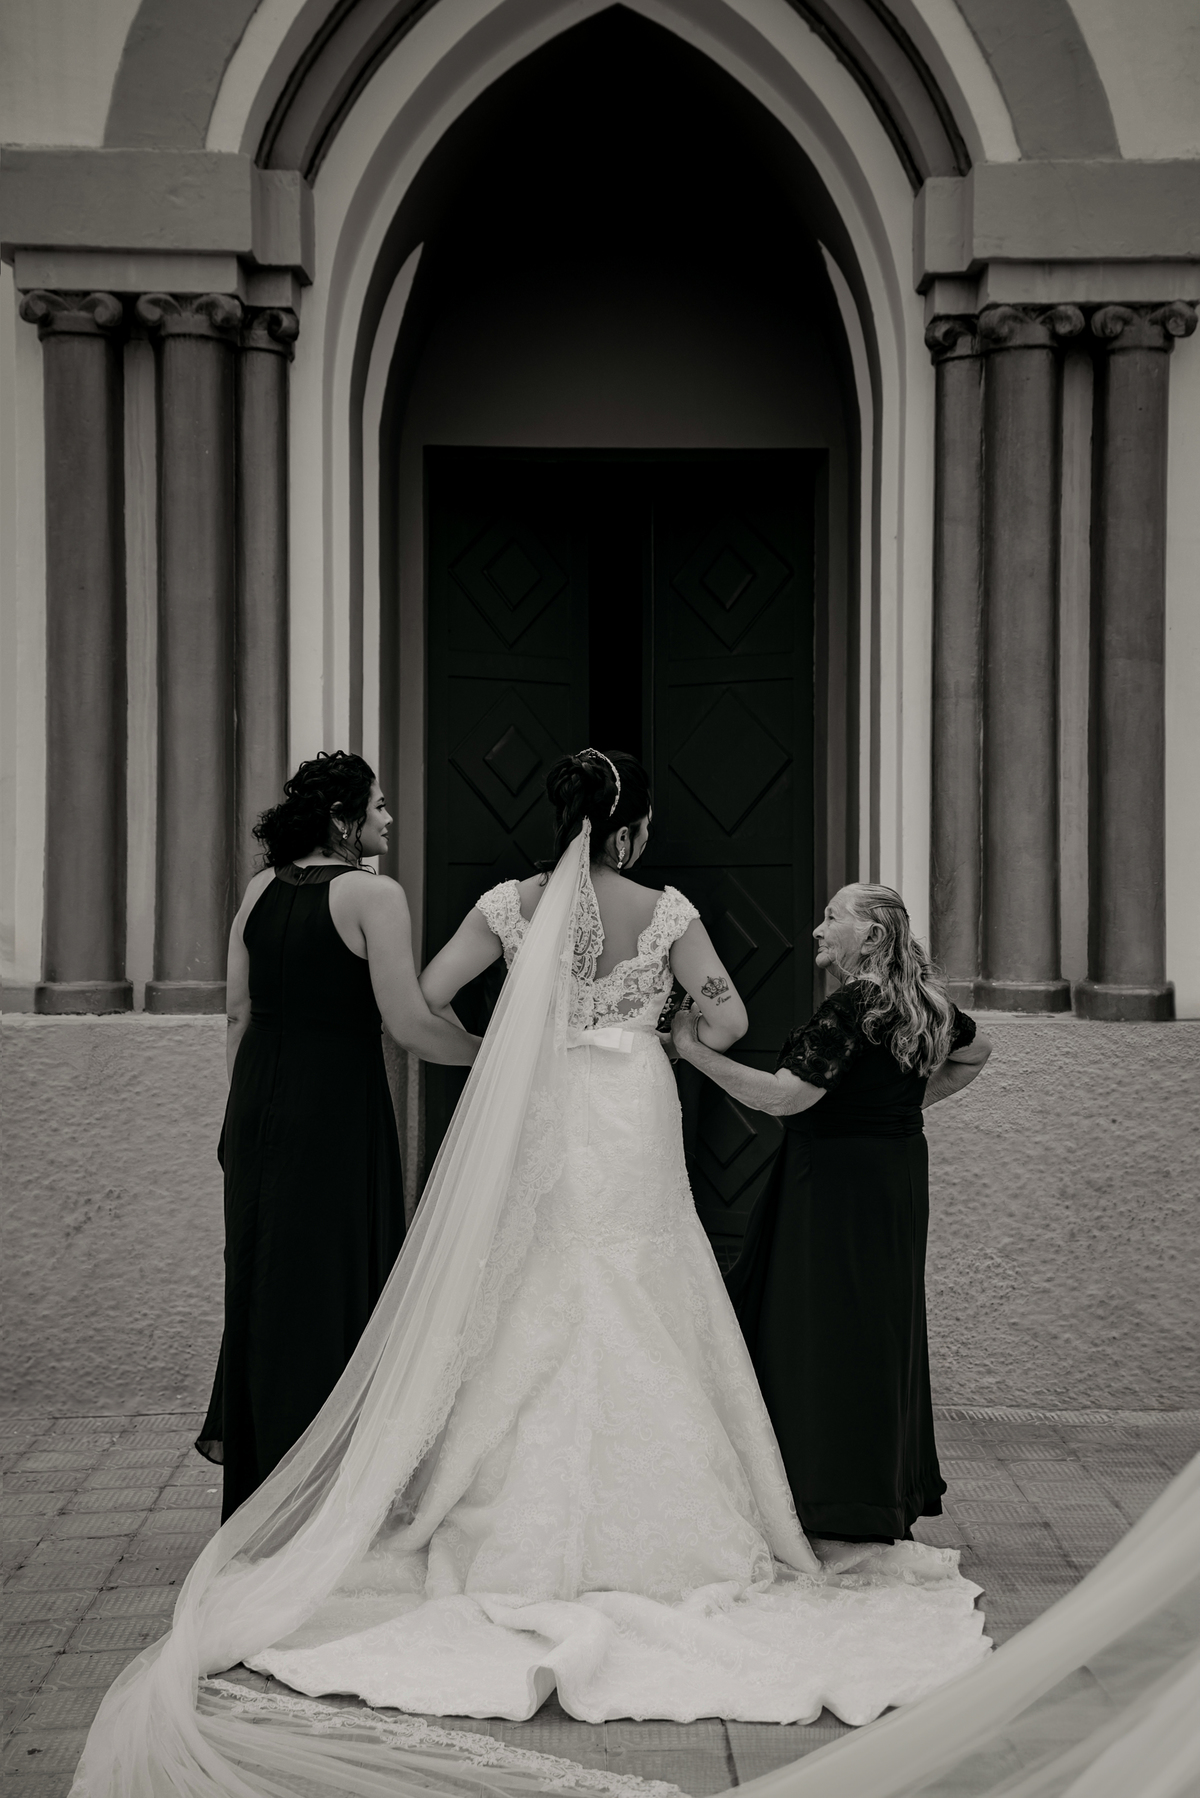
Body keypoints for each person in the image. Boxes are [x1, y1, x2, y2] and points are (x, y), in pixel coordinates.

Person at [74, 760, 990, 1798]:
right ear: (629, 832)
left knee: (530, 1279)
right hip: (631, 1105)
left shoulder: (508, 904)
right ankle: (681, 1527)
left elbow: (425, 999)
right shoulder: (669, 910)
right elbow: (729, 1019)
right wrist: (672, 1029)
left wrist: (516, 1041)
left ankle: (482, 1508)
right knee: (643, 1279)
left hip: (545, 1102)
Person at [196, 751, 479, 1520]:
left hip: (257, 1112)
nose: (388, 818)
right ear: (343, 819)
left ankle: (265, 1492)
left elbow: (237, 1014)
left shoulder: (258, 890)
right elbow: (410, 1024)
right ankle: (330, 1492)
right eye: (378, 806)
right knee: (333, 1287)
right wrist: (496, 1053)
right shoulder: (375, 896)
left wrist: (242, 1114)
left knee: (265, 1288)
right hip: (335, 1113)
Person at [671, 882, 991, 1546]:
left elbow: (784, 1099)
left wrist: (695, 1053)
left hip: (833, 1186)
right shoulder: (921, 1000)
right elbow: (975, 1052)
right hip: (896, 1178)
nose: (817, 929)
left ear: (871, 935)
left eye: (831, 917)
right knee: (878, 1326)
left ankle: (825, 1497)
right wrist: (896, 1111)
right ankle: (877, 1494)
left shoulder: (851, 1006)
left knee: (816, 1328)